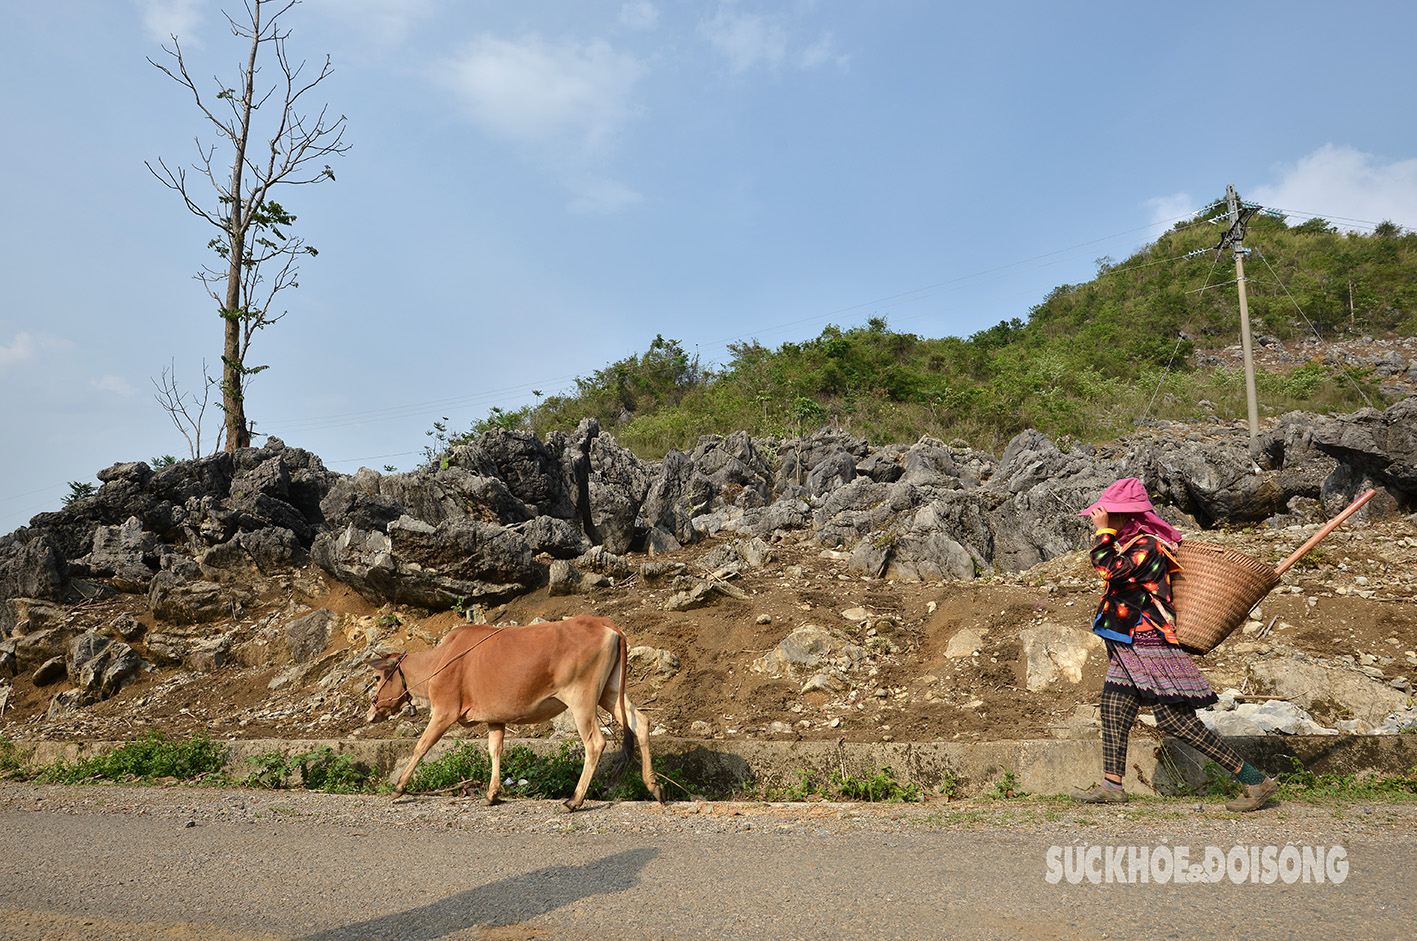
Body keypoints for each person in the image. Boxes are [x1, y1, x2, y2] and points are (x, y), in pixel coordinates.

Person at [1069, 477, 1279, 812]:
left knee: (1176, 722)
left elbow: (1108, 569)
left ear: (1125, 515)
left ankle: (1257, 781)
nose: (1103, 518)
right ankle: (1112, 786)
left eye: (1111, 514)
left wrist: (1102, 532)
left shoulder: (1148, 546)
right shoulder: (1131, 543)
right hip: (1128, 644)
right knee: (1113, 707)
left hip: (1148, 642)